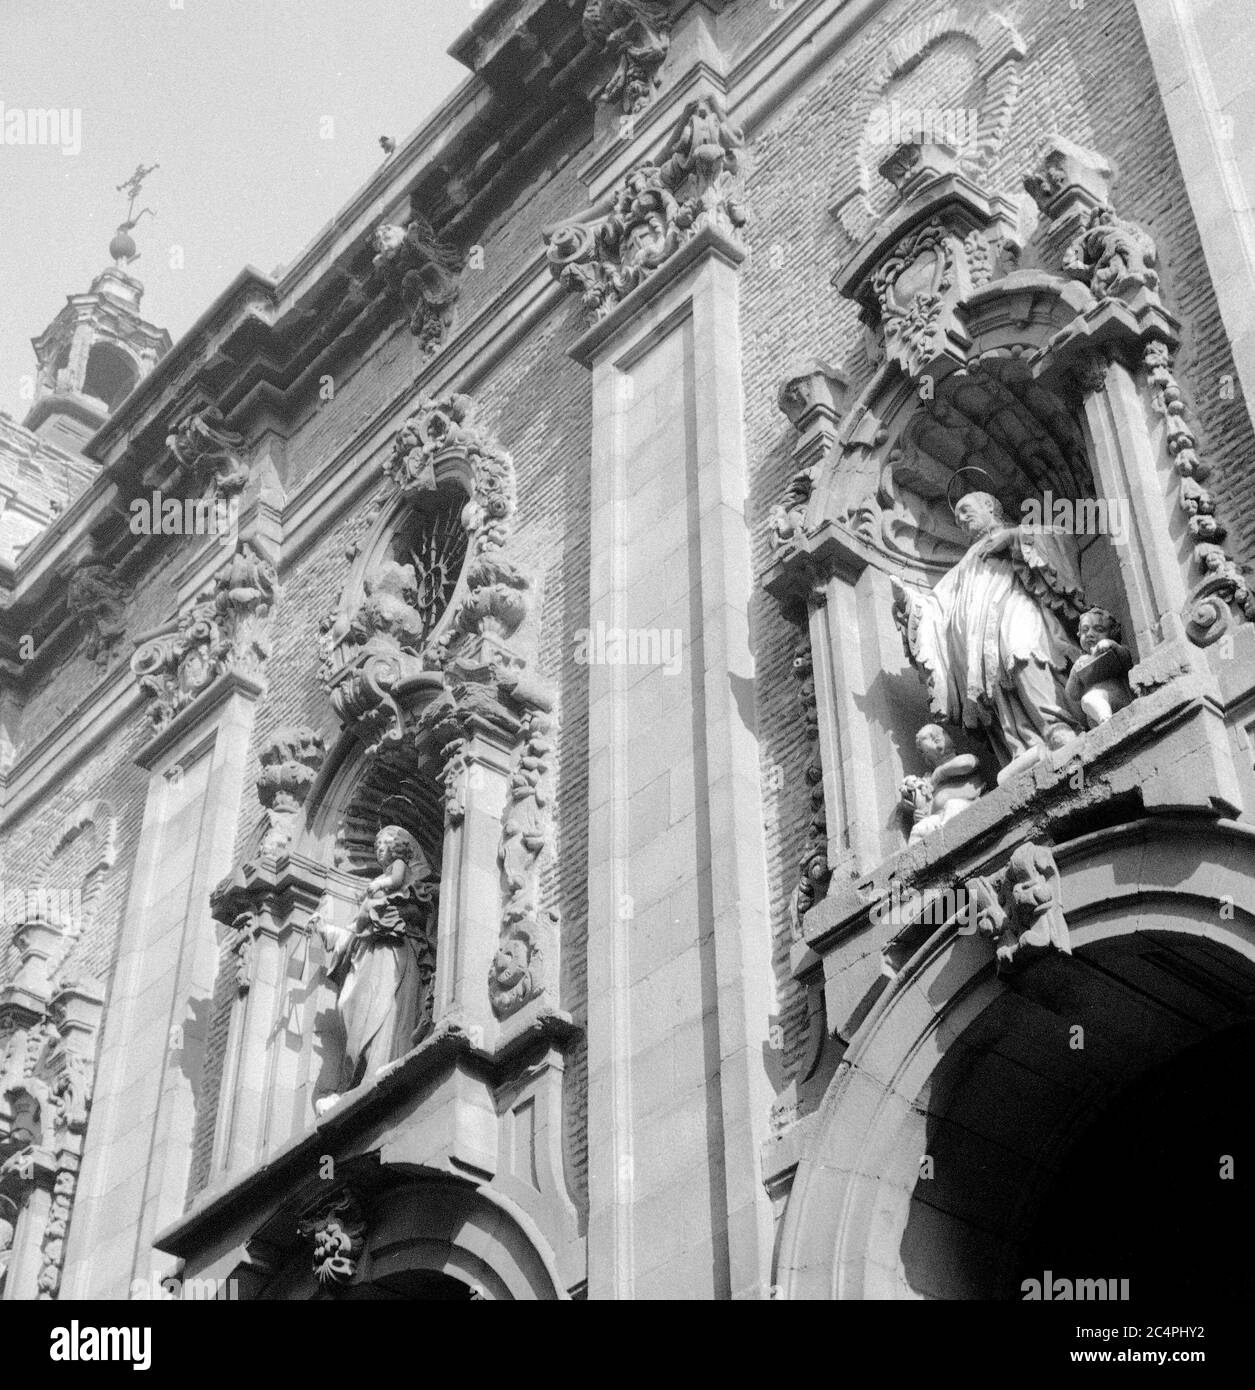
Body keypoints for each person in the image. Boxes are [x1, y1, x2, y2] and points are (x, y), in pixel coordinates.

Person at [892, 490, 1086, 781]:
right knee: (994, 683)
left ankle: (1056, 725)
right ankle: (1023, 747)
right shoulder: (966, 561)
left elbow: (1062, 539)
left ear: (989, 505)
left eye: (965, 509)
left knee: (1021, 652)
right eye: (956, 517)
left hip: (1017, 606)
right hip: (981, 636)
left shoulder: (1018, 532)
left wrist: (1014, 540)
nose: (960, 518)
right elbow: (938, 605)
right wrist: (909, 603)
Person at [314, 826, 435, 1101]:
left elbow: (413, 900)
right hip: (368, 953)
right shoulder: (381, 882)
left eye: (383, 844)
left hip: (393, 952)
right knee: (352, 1006)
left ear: (397, 847)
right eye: (376, 845)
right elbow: (356, 926)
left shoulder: (402, 873)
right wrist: (328, 932)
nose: (378, 849)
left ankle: (386, 1061)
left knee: (388, 1009)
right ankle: (359, 1077)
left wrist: (379, 900)